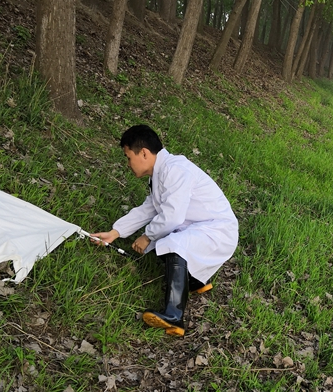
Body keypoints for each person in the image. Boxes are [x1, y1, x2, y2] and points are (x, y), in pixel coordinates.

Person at [92, 125, 238, 337]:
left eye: (128, 157)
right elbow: (150, 208)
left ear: (144, 153)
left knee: (172, 243)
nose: (128, 164)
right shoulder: (160, 174)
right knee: (165, 241)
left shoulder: (175, 169)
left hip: (218, 230)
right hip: (202, 227)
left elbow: (173, 216)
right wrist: (115, 232)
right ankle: (196, 281)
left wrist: (147, 236)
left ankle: (174, 315)